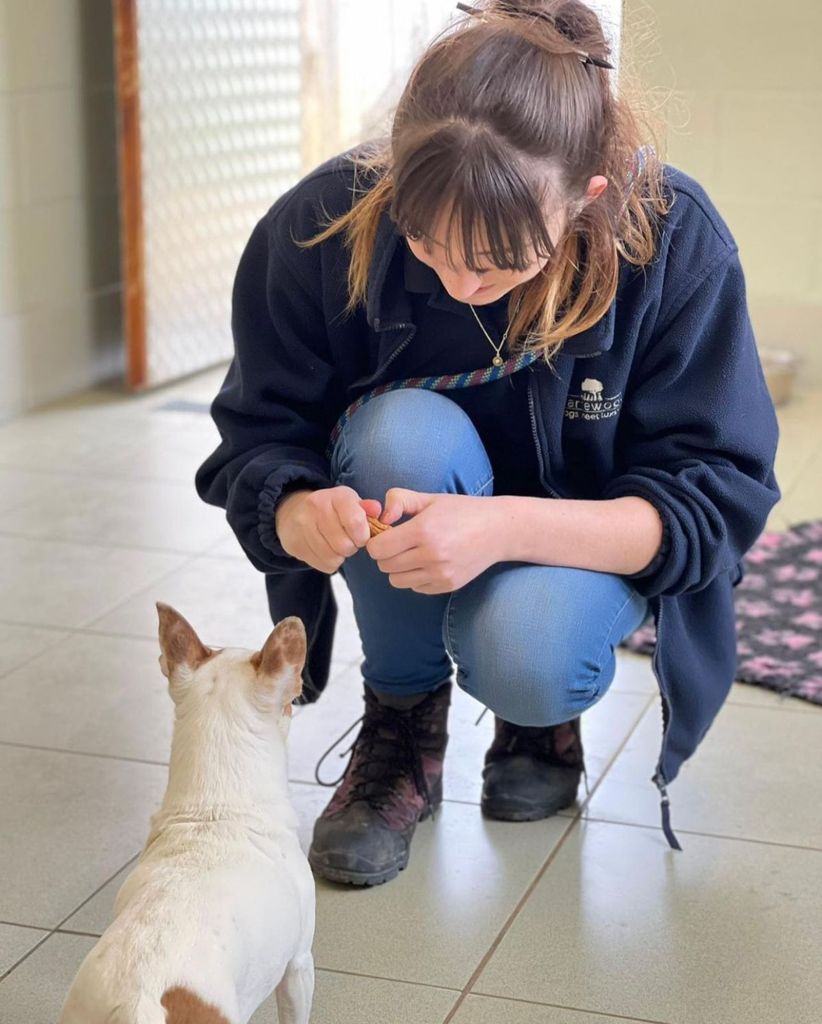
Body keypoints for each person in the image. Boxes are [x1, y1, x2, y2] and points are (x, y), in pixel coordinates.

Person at [196, 0, 779, 887]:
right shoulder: (318, 222)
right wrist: (294, 506)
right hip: (417, 478)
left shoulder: (675, 241)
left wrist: (501, 528)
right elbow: (258, 431)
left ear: (587, 198)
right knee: (397, 437)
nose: (462, 281)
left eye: (500, 260)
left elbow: (716, 502)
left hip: (585, 540)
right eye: (428, 245)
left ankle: (537, 720)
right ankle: (402, 719)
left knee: (527, 647)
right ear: (394, 176)